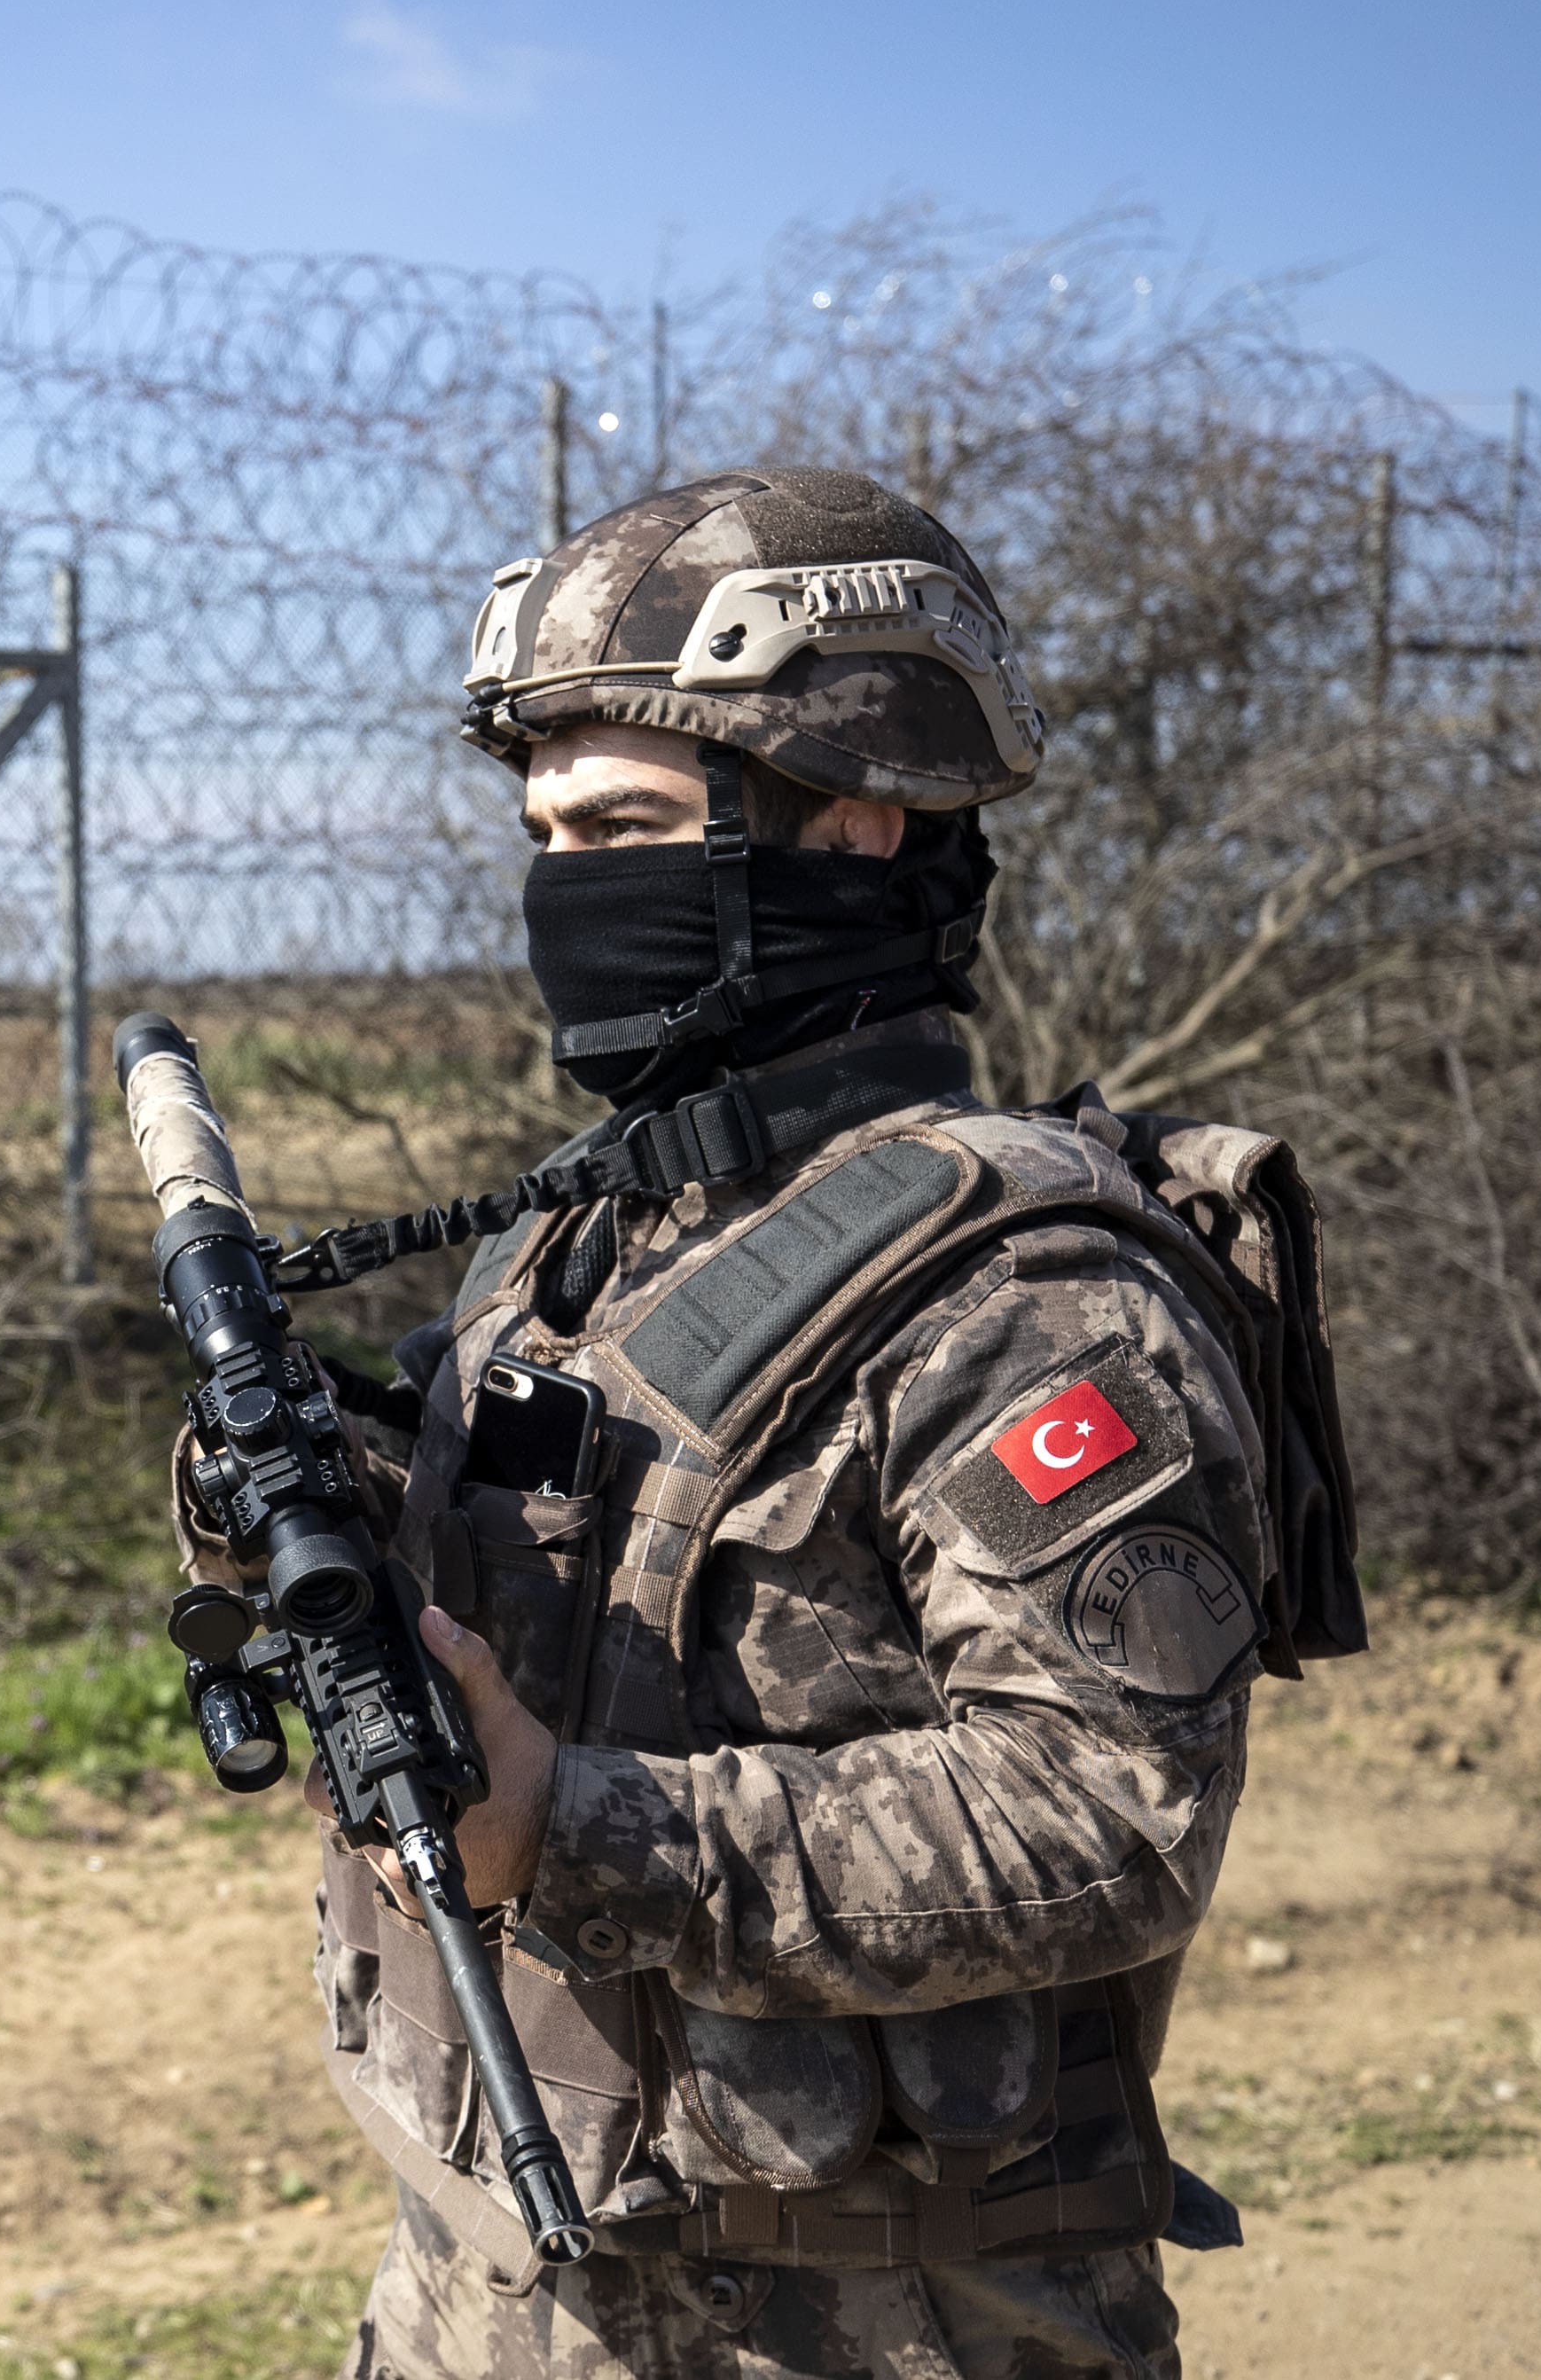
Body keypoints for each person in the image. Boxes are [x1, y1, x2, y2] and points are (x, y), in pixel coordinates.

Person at [192, 468, 1307, 2379]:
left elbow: (1110, 1808)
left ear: (855, 823)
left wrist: (571, 1820)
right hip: (496, 2286)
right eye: (544, 830)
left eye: (619, 825)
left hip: (868, 2321)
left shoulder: (1027, 1291)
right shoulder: (585, 1231)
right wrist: (302, 1519)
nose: (563, 884)